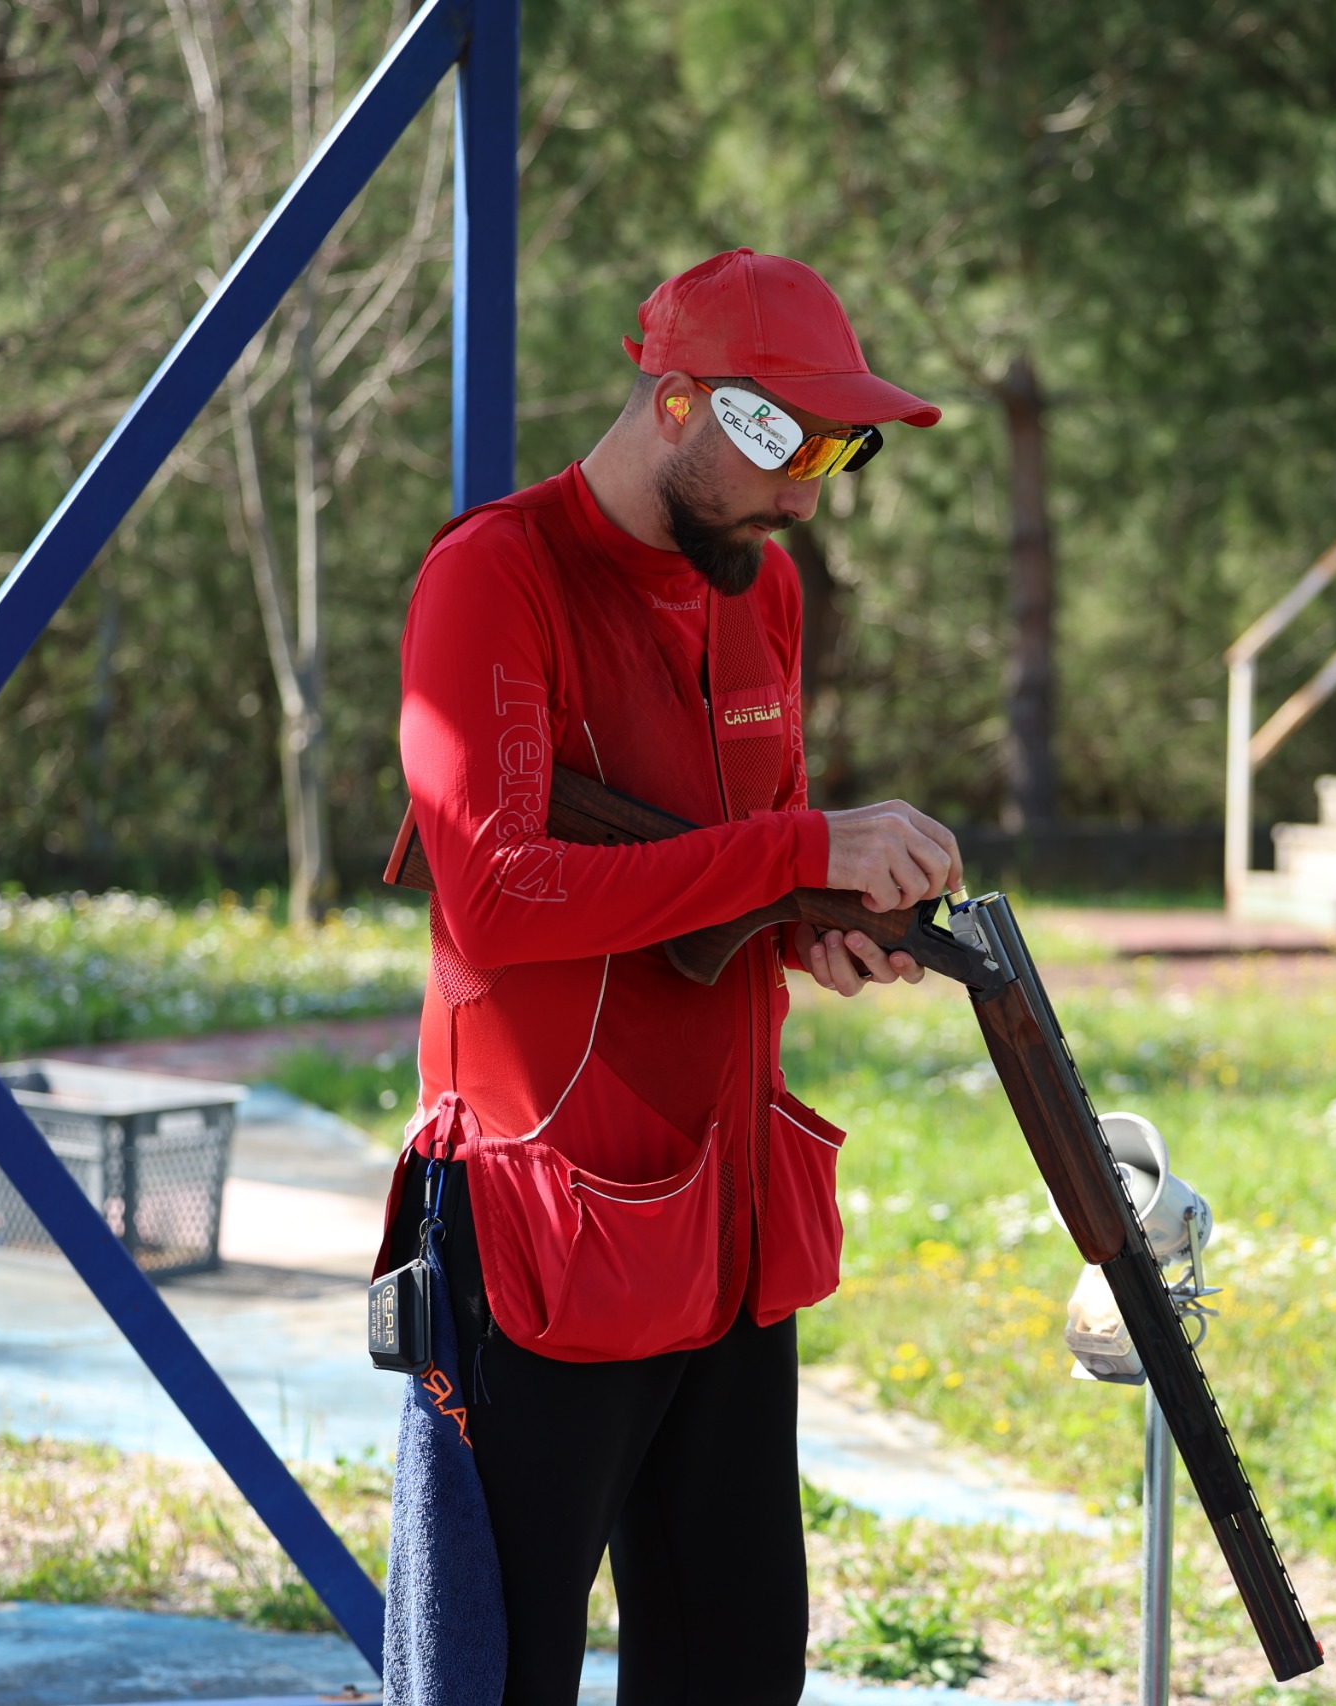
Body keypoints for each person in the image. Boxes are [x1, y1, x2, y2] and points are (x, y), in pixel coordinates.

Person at [380, 248, 961, 1704]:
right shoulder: (494, 575)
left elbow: (744, 872)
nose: (808, 494)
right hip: (547, 1222)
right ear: (678, 401)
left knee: (737, 1664)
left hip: (730, 1219)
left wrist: (815, 923)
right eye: (785, 443)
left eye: (837, 451)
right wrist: (796, 854)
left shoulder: (762, 591)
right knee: (500, 1671)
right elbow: (497, 897)